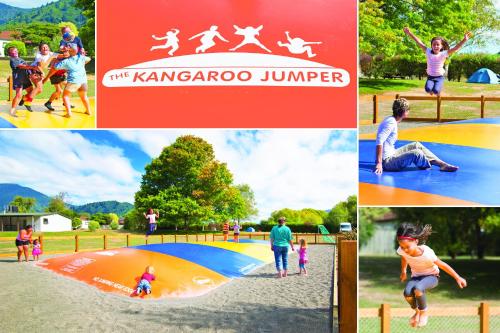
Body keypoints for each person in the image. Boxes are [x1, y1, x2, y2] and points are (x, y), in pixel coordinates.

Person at [397, 222, 467, 327]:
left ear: (416, 241)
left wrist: (457, 277)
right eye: (402, 247)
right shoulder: (402, 250)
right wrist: (403, 271)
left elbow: (443, 265)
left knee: (418, 288)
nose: (405, 250)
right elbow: (404, 257)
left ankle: (424, 313)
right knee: (407, 293)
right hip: (416, 277)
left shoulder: (427, 253)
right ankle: (417, 312)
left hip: (432, 277)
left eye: (407, 247)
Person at [374, 98, 459, 174]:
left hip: (392, 154)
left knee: (416, 145)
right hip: (387, 162)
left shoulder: (392, 120)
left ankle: (442, 164)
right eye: (408, 110)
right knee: (416, 153)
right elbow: (379, 140)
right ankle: (428, 165)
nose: (409, 112)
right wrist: (379, 163)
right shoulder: (391, 122)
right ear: (404, 111)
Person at [403, 27, 471, 96]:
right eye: (434, 45)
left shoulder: (443, 53)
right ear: (431, 46)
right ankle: (433, 91)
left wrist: (464, 40)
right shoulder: (428, 51)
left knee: (436, 91)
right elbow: (418, 42)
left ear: (441, 46)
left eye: (438, 45)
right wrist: (409, 33)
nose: (435, 46)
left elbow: (455, 48)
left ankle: (437, 91)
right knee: (428, 89)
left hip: (439, 77)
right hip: (430, 77)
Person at [45, 45, 91, 117]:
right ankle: (88, 111)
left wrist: (45, 78)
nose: (65, 52)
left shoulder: (66, 61)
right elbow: (88, 59)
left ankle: (69, 113)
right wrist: (81, 62)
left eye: (67, 50)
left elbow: (54, 68)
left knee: (65, 96)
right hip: (83, 82)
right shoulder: (81, 58)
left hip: (73, 81)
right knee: (84, 97)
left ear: (69, 52)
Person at [8, 47, 38, 116]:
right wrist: (32, 66)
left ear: (17, 51)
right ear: (10, 54)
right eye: (12, 52)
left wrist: (32, 73)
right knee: (18, 95)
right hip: (18, 78)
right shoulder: (13, 60)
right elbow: (21, 66)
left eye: (15, 51)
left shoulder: (21, 59)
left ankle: (24, 99)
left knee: (32, 91)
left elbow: (27, 68)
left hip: (25, 78)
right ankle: (12, 110)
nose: (14, 52)